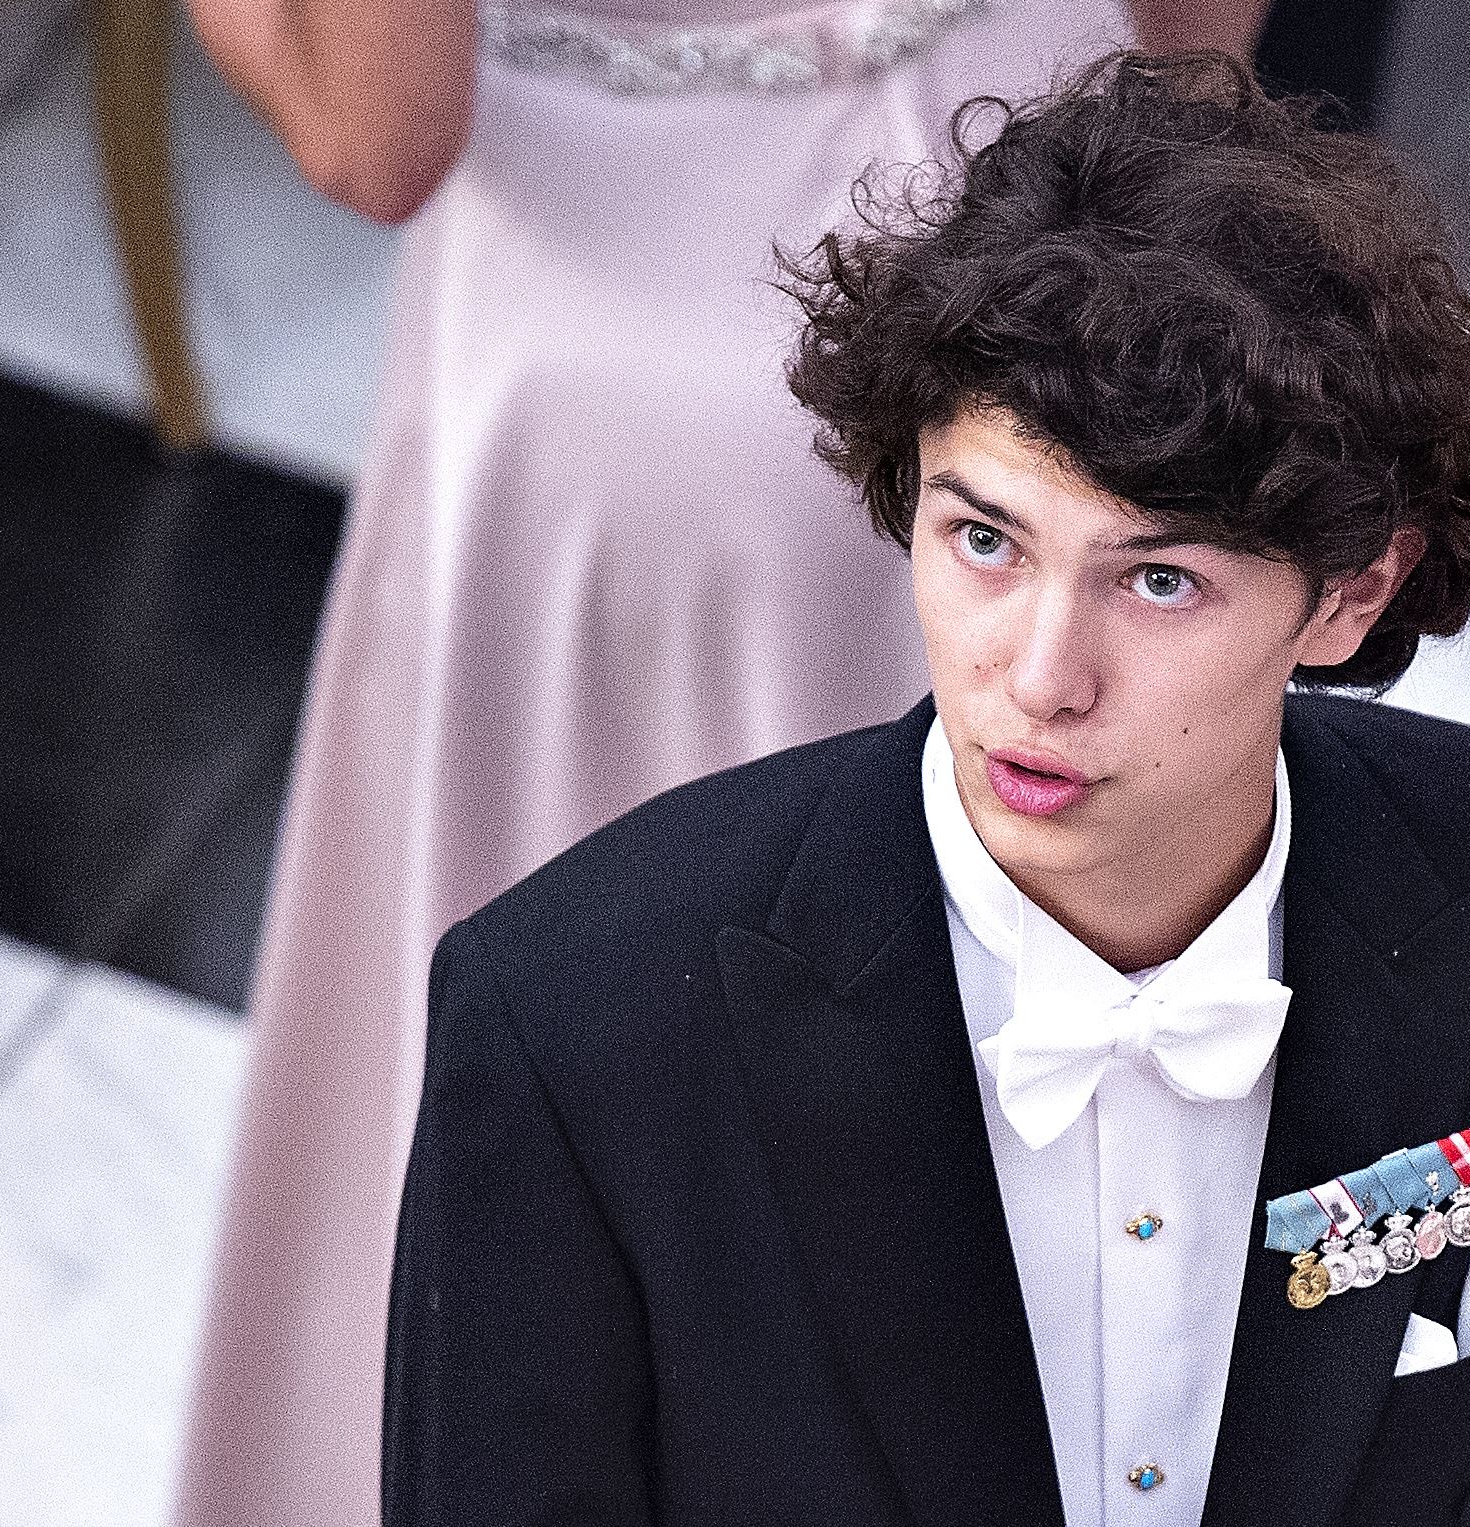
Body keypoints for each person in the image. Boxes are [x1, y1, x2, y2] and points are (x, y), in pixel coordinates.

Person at [386, 52, 1470, 1527]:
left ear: (1353, 593)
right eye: (985, 541)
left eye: (1157, 579)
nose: (1040, 678)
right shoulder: (573, 1023)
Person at [174, 0, 1295, 1519]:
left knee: (588, 1084)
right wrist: (1160, 210)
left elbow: (378, 138)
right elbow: (1195, 62)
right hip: (1054, 238)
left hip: (646, 392)